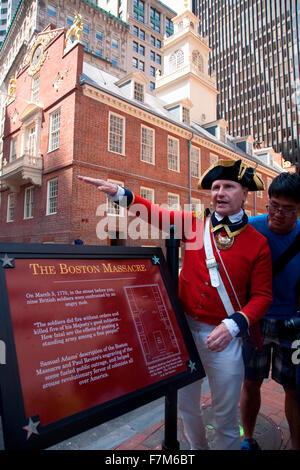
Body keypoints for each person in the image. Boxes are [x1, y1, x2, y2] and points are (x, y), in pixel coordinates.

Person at [78, 158, 273, 450]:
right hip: (184, 333)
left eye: (229, 187)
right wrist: (119, 193)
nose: (220, 193)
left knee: (225, 418)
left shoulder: (257, 243)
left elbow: (262, 297)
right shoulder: (195, 225)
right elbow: (156, 214)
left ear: (245, 194)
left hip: (224, 338)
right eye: (216, 187)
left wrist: (234, 325)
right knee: (187, 407)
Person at [240, 171, 300, 450]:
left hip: (293, 322)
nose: (279, 214)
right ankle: (247, 438)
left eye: (288, 210)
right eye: (274, 206)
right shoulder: (250, 227)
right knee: (251, 382)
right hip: (256, 320)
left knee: (294, 388)